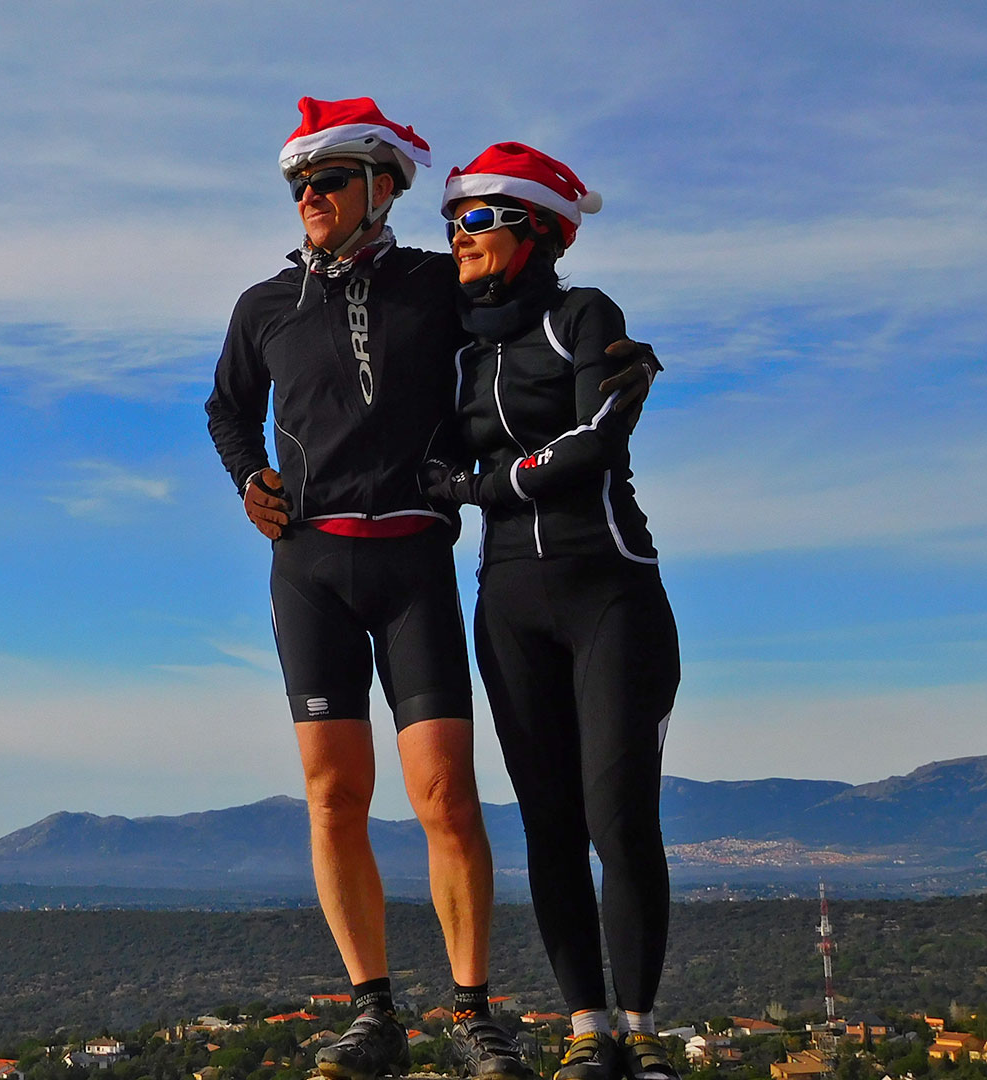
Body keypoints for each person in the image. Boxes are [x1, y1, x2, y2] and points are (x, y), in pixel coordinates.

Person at [207, 98, 651, 1080]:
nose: (308, 198)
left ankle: (473, 1011)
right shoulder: (262, 307)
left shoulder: (432, 283)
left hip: (415, 561)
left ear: (381, 186)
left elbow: (521, 303)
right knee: (335, 795)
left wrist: (606, 355)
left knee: (446, 793)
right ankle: (374, 1015)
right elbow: (226, 409)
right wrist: (249, 481)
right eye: (297, 185)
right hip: (311, 565)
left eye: (326, 181)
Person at [422, 143, 681, 1080]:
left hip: (607, 590)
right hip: (507, 609)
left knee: (619, 820)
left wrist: (483, 482)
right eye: (453, 220)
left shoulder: (584, 316)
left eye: (480, 219)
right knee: (548, 827)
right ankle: (588, 1031)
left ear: (535, 227)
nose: (460, 236)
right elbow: (424, 460)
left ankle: (643, 1033)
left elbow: (592, 445)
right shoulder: (460, 345)